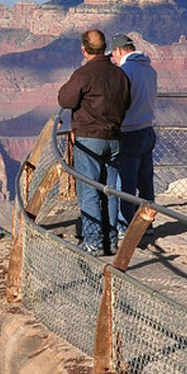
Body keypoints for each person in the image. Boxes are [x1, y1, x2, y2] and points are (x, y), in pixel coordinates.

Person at [56, 28, 132, 256]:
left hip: (89, 140)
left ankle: (93, 242)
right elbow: (127, 102)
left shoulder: (83, 74)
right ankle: (110, 240)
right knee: (109, 191)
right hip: (114, 139)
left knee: (88, 191)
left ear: (84, 49)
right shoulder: (120, 74)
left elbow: (65, 99)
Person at [109, 33, 158, 246]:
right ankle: (147, 223)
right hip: (147, 129)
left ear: (119, 50)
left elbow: (119, 101)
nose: (113, 58)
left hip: (129, 131)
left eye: (113, 54)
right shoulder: (150, 69)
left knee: (125, 183)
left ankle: (126, 226)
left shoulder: (125, 71)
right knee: (145, 181)